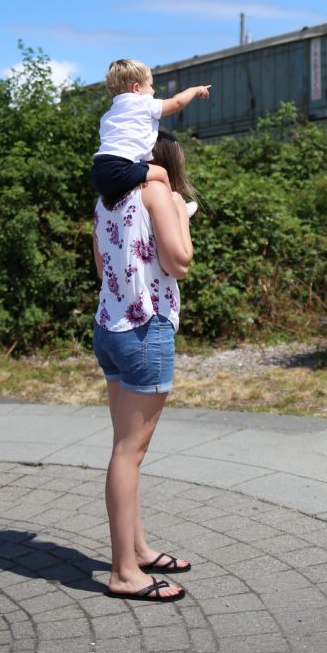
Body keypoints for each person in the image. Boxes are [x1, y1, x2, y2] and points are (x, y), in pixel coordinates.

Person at [92, 129, 196, 602]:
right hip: (145, 329)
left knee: (123, 450)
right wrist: (179, 214)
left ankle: (137, 550)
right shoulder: (158, 193)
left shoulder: (107, 199)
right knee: (128, 455)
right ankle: (124, 574)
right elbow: (180, 262)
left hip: (109, 329)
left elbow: (103, 268)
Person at [91, 58, 210, 202]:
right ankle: (174, 204)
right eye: (151, 85)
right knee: (161, 172)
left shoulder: (108, 115)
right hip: (120, 166)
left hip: (98, 171)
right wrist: (195, 90)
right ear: (136, 88)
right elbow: (176, 103)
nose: (153, 91)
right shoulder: (143, 103)